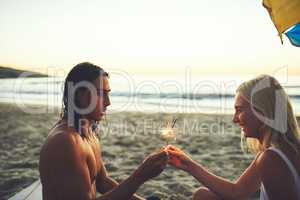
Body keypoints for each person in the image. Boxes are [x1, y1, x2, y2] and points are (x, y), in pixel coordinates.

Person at [39, 62, 168, 200]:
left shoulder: (89, 132)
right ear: (79, 95)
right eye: (101, 94)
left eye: (108, 94)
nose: (108, 102)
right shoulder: (65, 142)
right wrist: (140, 176)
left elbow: (103, 181)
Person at [166, 75, 300, 200]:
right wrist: (188, 164)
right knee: (202, 195)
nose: (234, 119)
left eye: (239, 110)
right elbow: (238, 191)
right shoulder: (284, 149)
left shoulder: (271, 158)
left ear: (262, 111)